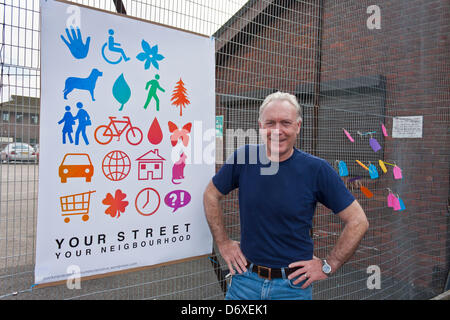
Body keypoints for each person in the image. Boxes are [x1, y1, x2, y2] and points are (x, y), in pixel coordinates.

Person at [203, 91, 369, 300]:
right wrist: (224, 243)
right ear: (261, 126)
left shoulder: (316, 170)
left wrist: (329, 265)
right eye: (270, 123)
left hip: (292, 288)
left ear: (298, 126)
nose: (277, 130)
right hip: (244, 282)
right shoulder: (244, 158)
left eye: (286, 123)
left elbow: (358, 221)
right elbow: (211, 194)